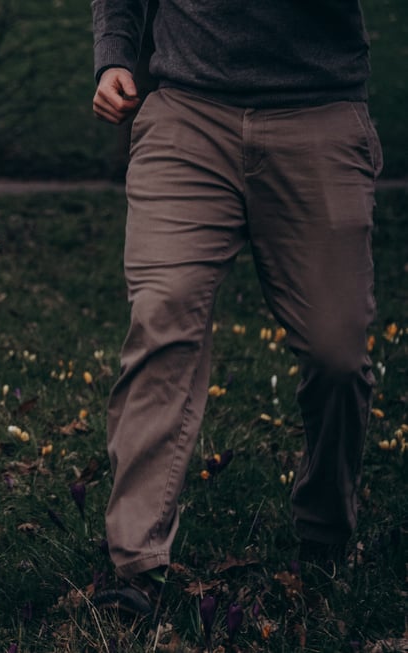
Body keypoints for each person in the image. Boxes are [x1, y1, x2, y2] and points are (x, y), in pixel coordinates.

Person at [90, 1, 383, 617]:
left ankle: (325, 534)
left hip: (319, 110)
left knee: (338, 355)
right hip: (187, 111)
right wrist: (115, 55)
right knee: (162, 319)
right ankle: (135, 565)